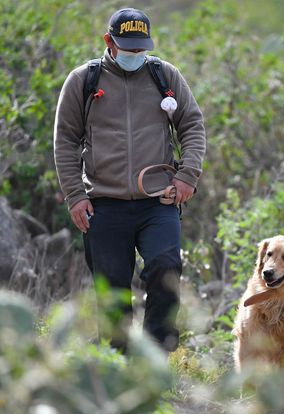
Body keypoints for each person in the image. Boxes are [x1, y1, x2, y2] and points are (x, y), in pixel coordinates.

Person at [54, 8, 206, 352]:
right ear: (109, 41)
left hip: (158, 202)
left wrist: (188, 176)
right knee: (113, 292)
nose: (135, 55)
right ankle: (118, 367)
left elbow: (192, 126)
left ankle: (156, 359)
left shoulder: (164, 76)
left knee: (166, 270)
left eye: (141, 49)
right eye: (128, 48)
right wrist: (75, 196)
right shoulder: (83, 81)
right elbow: (64, 140)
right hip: (103, 205)